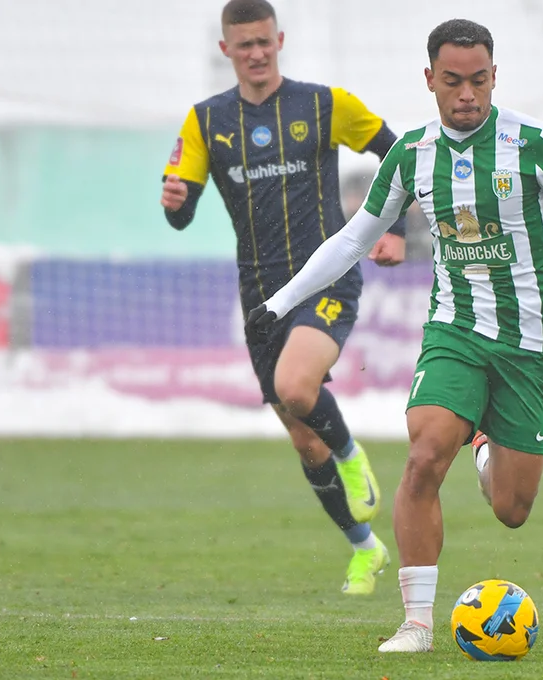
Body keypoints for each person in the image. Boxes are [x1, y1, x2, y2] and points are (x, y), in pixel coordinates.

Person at [246, 18, 543, 652]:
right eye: (453, 81)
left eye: (479, 80)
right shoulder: (412, 153)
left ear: (495, 76)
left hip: (531, 343)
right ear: (430, 79)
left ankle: (485, 445)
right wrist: (281, 302)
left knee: (511, 510)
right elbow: (355, 238)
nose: (467, 94)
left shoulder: (538, 144)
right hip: (455, 330)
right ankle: (417, 624)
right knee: (423, 456)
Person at [159, 0, 407, 596]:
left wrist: (395, 226)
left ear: (280, 40)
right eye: (244, 44)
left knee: (298, 388)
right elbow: (181, 211)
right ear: (226, 50)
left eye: (264, 41)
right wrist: (174, 203)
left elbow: (396, 151)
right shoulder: (205, 121)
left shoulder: (324, 104)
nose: (256, 53)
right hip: (260, 296)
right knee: (302, 436)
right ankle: (365, 548)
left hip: (326, 277)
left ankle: (351, 456)